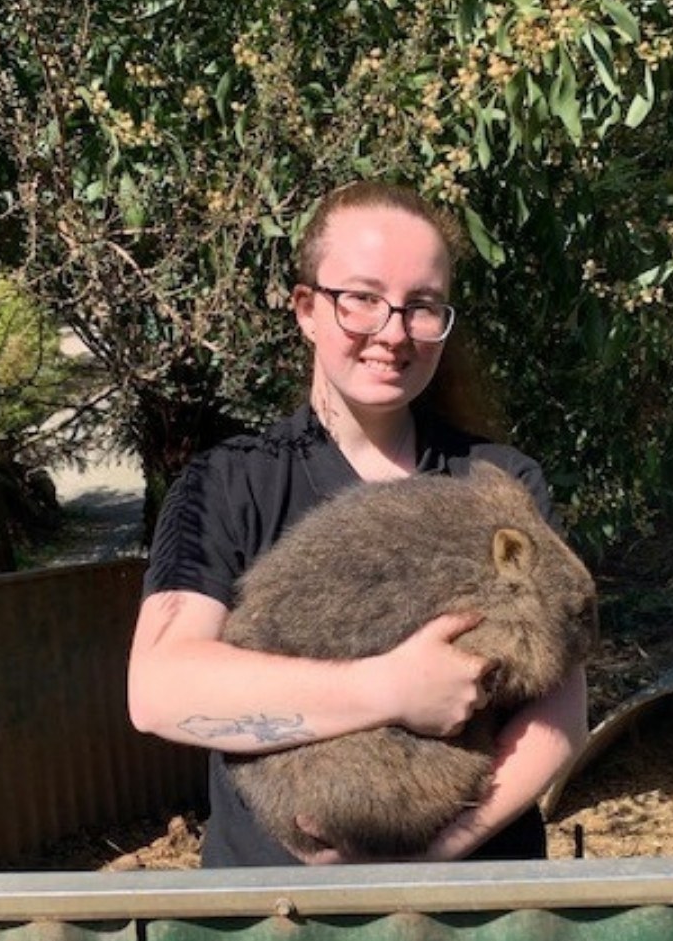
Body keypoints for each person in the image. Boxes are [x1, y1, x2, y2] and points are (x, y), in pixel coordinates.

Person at [127, 181, 588, 867]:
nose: (393, 332)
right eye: (362, 299)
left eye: (421, 306)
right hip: (280, 906)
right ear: (307, 309)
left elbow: (561, 715)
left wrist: (420, 861)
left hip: (473, 894)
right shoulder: (229, 484)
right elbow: (160, 691)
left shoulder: (499, 484)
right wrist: (393, 690)